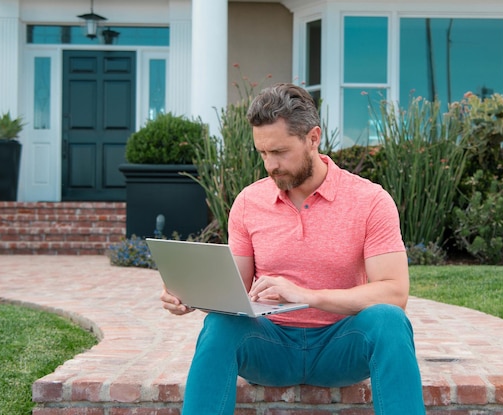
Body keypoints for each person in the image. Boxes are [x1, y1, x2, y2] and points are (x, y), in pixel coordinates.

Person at [161, 83, 426, 414]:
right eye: (263, 153)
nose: (271, 165)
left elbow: (394, 293)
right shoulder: (248, 202)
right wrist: (193, 296)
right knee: (218, 325)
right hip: (269, 348)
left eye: (280, 152)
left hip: (341, 347)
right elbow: (236, 293)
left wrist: (307, 296)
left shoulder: (370, 201)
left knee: (389, 320)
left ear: (313, 138)